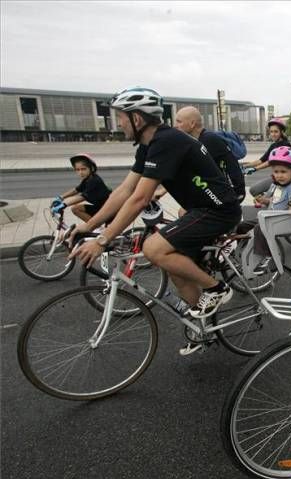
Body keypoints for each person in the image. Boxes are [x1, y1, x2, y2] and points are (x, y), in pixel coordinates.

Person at [70, 87, 242, 339]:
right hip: (199, 210)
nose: (118, 124)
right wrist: (89, 226)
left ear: (136, 119)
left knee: (153, 249)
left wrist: (102, 239)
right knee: (174, 265)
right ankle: (203, 331)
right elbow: (124, 190)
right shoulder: (148, 145)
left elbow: (139, 198)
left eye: (120, 117)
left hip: (219, 211)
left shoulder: (167, 140)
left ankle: (216, 288)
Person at [237, 146, 291, 269]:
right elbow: (274, 201)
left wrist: (278, 212)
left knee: (258, 228)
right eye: (276, 172)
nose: (279, 175)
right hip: (268, 217)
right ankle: (243, 248)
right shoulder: (277, 186)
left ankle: (267, 255)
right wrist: (264, 201)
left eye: (283, 172)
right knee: (242, 226)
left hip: (279, 220)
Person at [174, 106, 245, 201]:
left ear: (192, 124)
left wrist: (162, 190)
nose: (175, 125)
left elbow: (189, 169)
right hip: (223, 190)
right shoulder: (202, 138)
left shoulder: (208, 140)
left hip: (231, 193)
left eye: (179, 122)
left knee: (185, 211)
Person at [51, 154, 112, 222]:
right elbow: (76, 190)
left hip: (109, 210)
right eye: (77, 170)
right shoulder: (88, 179)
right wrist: (61, 197)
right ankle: (96, 228)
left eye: (83, 169)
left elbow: (82, 197)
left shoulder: (94, 181)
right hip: (100, 207)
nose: (80, 172)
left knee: (76, 209)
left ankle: (96, 228)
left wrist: (64, 205)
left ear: (91, 168)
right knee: (75, 208)